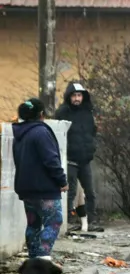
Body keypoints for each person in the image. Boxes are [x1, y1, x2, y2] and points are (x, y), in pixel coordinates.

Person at [12, 98, 68, 259]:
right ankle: (42, 258)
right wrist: (62, 181)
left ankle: (33, 259)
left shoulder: (19, 135)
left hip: (26, 189)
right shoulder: (41, 132)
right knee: (54, 221)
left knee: (33, 225)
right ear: (41, 114)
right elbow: (51, 160)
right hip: (45, 189)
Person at [53, 81, 99, 232]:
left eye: (79, 95)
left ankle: (91, 221)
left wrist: (92, 148)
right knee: (69, 192)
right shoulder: (62, 113)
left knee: (90, 192)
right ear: (69, 97)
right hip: (70, 159)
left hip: (85, 159)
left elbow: (93, 133)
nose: (77, 98)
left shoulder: (88, 113)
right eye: (74, 95)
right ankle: (66, 222)